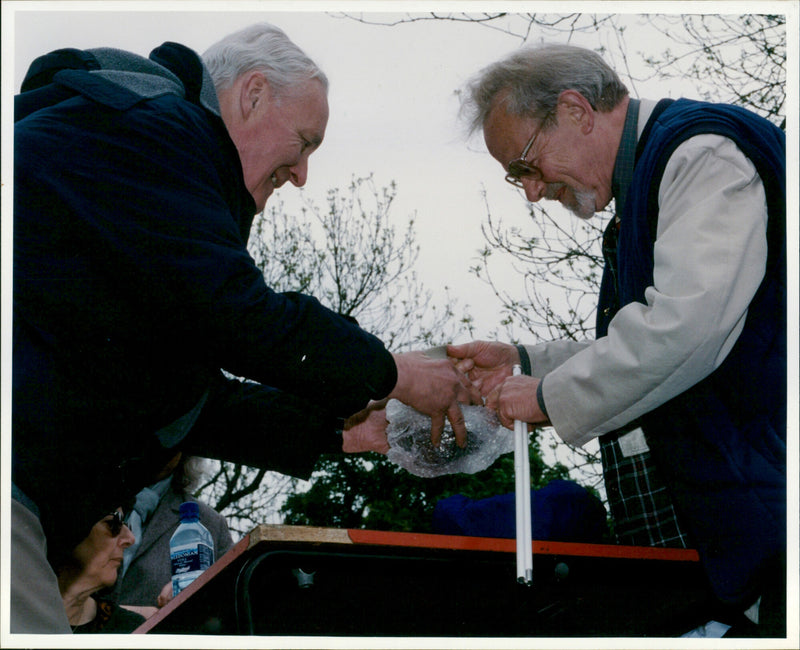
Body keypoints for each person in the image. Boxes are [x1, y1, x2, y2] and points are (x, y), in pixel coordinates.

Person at [11, 22, 479, 633]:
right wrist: (395, 373)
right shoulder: (155, 131)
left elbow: (186, 404)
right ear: (252, 94)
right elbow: (241, 313)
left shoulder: (132, 175)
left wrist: (343, 435)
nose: (304, 175)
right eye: (305, 142)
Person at [449, 44, 785, 636]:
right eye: (515, 178)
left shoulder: (701, 157)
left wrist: (548, 399)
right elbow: (651, 340)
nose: (530, 193)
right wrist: (525, 363)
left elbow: (686, 330)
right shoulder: (645, 193)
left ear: (577, 111)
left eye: (527, 164)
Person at [112, 454, 234, 611]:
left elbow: (229, 601)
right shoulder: (84, 499)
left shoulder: (210, 524)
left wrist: (198, 589)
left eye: (171, 438)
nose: (158, 445)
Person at [56, 509, 147, 633]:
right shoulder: (21, 613)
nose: (131, 538)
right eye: (113, 524)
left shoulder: (128, 628)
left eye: (126, 524)